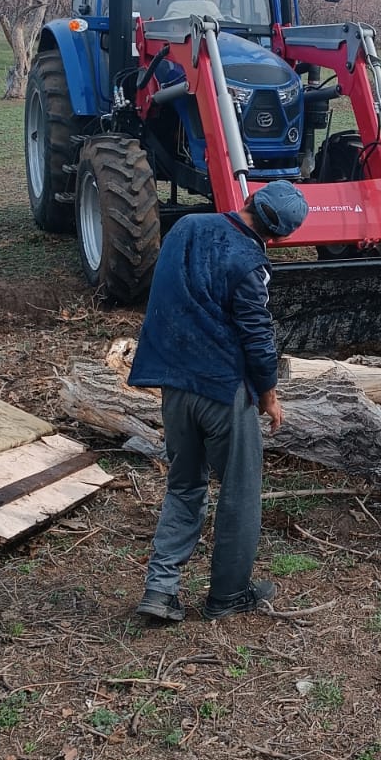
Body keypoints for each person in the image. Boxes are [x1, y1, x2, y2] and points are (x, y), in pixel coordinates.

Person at [128, 180, 310, 623]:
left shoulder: (187, 226)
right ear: (280, 237)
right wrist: (268, 394)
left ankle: (161, 588)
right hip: (221, 389)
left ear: (249, 201)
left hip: (173, 384)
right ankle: (227, 595)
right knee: (239, 492)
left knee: (185, 485)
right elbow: (256, 336)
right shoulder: (250, 262)